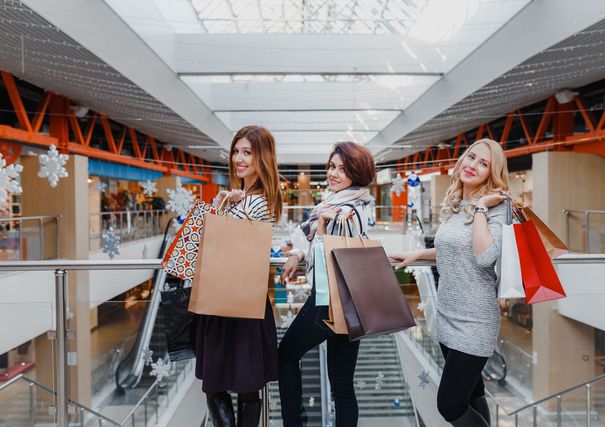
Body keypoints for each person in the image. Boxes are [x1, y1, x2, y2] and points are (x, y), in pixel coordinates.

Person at [389, 138, 509, 426]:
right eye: (471, 157)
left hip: (475, 320)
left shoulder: (496, 208)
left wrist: (481, 206)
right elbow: (451, 248)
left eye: (484, 164)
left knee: (450, 406)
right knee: (472, 393)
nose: (473, 166)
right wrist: (417, 254)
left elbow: (484, 257)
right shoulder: (456, 203)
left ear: (492, 174)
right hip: (447, 315)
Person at [278, 142, 376, 427]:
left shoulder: (341, 210)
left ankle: (293, 422)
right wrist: (298, 252)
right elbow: (309, 243)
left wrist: (321, 224)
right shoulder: (356, 203)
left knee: (285, 355)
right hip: (352, 303)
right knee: (343, 386)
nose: (334, 173)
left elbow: (324, 256)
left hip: (328, 301)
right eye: (332, 166)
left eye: (343, 169)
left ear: (356, 174)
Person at [193, 125, 283, 427]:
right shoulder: (248, 197)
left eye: (248, 152)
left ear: (263, 158)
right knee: (246, 386)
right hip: (245, 302)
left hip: (227, 303)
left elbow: (227, 246)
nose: (238, 158)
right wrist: (226, 203)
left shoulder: (255, 200)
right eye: (236, 151)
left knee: (216, 385)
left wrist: (225, 207)